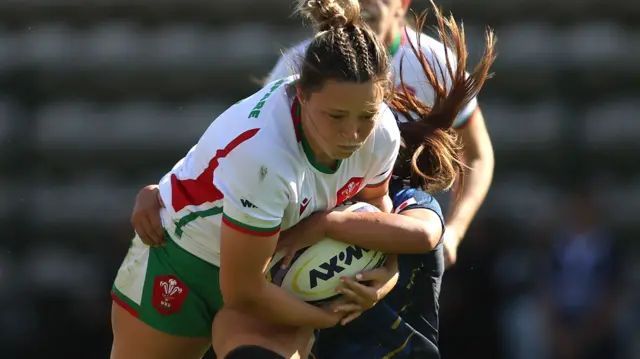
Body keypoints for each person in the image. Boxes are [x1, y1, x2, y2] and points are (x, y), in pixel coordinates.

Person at [128, 4, 496, 359]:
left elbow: (457, 184)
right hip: (300, 237)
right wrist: (171, 191)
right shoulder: (298, 78)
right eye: (335, 116)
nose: (352, 135)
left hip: (363, 227)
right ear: (302, 99)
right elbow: (241, 150)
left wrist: (455, 231)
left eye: (365, 116)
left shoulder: (425, 75)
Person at [267, 0, 495, 268]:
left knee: (425, 234)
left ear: (402, 5)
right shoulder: (304, 64)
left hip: (394, 212)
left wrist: (455, 230)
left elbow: (477, 154)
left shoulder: (435, 62)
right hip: (315, 207)